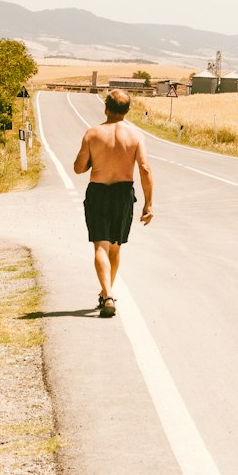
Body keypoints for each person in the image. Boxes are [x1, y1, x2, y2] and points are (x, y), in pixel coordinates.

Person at [73, 87, 154, 317]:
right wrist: (148, 203)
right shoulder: (136, 136)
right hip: (122, 193)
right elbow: (145, 169)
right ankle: (106, 293)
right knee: (115, 247)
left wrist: (92, 159)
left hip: (98, 191)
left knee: (100, 245)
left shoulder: (92, 134)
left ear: (106, 108)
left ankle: (106, 294)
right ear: (127, 110)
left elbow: (79, 168)